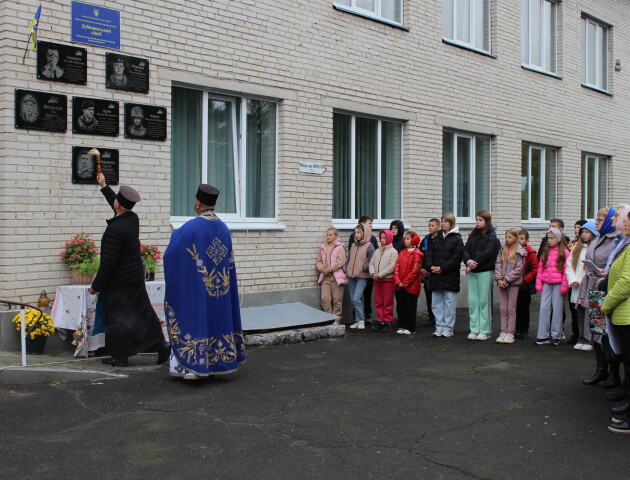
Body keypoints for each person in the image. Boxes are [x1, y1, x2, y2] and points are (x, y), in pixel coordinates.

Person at [163, 184, 246, 379]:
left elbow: (171, 255)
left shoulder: (190, 228)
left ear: (198, 203)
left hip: (198, 287)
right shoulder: (224, 228)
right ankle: (216, 363)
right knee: (216, 320)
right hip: (221, 289)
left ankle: (193, 368)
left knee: (195, 318)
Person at [89, 173, 169, 367]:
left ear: (118, 205)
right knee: (142, 314)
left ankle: (120, 356)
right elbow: (118, 207)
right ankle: (160, 346)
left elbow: (108, 262)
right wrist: (104, 186)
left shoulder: (115, 230)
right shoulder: (132, 219)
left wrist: (96, 285)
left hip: (120, 283)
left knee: (118, 319)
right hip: (133, 279)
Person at [580, 207, 620, 386]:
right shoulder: (599, 238)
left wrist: (604, 274)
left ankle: (613, 373)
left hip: (606, 290)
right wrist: (583, 294)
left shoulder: (615, 241)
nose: (596, 222)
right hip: (592, 288)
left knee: (607, 334)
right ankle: (600, 370)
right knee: (596, 331)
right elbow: (587, 269)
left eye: (600, 219)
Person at [601, 210, 630, 434]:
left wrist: (606, 303)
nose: (622, 224)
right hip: (622, 313)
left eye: (626, 220)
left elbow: (626, 282)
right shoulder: (626, 245)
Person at [425, 213, 464, 338]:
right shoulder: (437, 238)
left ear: (451, 223)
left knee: (449, 303)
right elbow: (429, 253)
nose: (443, 224)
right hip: (436, 276)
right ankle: (439, 326)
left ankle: (448, 327)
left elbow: (457, 257)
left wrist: (443, 268)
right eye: (442, 221)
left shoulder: (457, 238)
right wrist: (431, 266)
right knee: (436, 303)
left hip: (449, 276)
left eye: (445, 221)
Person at [463, 210, 500, 341]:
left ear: (486, 221)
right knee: (473, 301)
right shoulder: (473, 235)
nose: (477, 222)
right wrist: (468, 261)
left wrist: (474, 263)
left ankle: (485, 330)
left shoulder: (491, 236)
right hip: (472, 271)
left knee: (484, 301)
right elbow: (465, 249)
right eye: (477, 220)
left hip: (484, 271)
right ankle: (474, 328)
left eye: (480, 220)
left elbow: (488, 252)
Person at [535, 228, 570, 346]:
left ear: (558, 239)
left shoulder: (564, 252)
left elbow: (566, 270)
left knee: (557, 309)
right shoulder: (545, 251)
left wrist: (564, 286)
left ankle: (556, 335)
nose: (549, 241)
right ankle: (542, 334)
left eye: (552, 238)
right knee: (544, 308)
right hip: (546, 283)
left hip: (559, 283)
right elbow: (540, 268)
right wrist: (539, 284)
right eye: (548, 238)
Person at [566, 222, 598, 351]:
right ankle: (581, 338)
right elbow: (570, 265)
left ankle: (590, 340)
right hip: (577, 286)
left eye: (586, 232)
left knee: (590, 314)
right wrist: (573, 280)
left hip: (589, 286)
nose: (584, 235)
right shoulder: (576, 248)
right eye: (582, 232)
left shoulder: (595, 247)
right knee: (579, 314)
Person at [494, 228, 525, 344]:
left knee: (511, 308)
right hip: (502, 282)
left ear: (516, 238)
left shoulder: (519, 251)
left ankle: (510, 332)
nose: (507, 239)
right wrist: (499, 279)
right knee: (503, 308)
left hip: (513, 283)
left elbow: (519, 269)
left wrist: (507, 278)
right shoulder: (502, 249)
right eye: (506, 237)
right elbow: (498, 264)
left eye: (510, 237)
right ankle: (503, 331)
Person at [348, 216, 378, 325]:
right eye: (355, 232)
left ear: (364, 234)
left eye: (358, 232)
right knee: (353, 300)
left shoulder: (369, 246)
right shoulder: (353, 245)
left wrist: (362, 267)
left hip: (362, 276)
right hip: (351, 276)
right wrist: (348, 268)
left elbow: (373, 261)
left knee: (356, 299)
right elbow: (350, 258)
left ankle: (361, 320)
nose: (356, 235)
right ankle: (357, 320)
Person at [369, 229, 399, 332]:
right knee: (379, 301)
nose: (382, 240)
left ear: (389, 238)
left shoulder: (393, 252)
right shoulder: (377, 251)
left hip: (387, 280)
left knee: (387, 302)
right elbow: (371, 263)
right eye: (381, 238)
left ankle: (388, 321)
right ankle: (380, 321)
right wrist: (373, 273)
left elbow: (391, 267)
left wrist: (380, 275)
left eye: (384, 238)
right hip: (377, 280)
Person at [394, 231, 422, 335]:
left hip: (411, 286)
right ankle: (403, 325)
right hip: (400, 285)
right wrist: (398, 281)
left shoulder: (417, 254)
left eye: (408, 239)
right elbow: (396, 267)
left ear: (414, 240)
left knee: (410, 306)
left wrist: (404, 283)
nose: (405, 240)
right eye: (405, 238)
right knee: (401, 306)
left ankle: (411, 328)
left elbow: (415, 271)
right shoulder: (402, 253)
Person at [316, 227, 347, 319]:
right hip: (326, 277)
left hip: (337, 277)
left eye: (330, 235)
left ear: (336, 236)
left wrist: (329, 269)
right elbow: (318, 261)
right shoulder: (322, 247)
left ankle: (336, 320)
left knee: (337, 300)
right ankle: (329, 318)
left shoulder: (340, 247)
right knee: (324, 299)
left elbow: (341, 261)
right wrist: (323, 269)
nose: (328, 237)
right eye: (327, 235)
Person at [515, 230, 538, 339]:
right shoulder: (513, 250)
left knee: (524, 308)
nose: (519, 241)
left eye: (522, 239)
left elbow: (535, 269)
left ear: (527, 240)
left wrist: (525, 279)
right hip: (514, 284)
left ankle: (524, 330)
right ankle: (517, 328)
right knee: (515, 308)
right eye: (518, 238)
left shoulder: (531, 252)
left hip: (524, 285)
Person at [420, 218, 440, 327]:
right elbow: (421, 255)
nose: (430, 227)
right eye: (429, 225)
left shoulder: (440, 239)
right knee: (428, 296)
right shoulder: (425, 240)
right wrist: (421, 269)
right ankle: (431, 317)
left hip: (436, 271)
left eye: (432, 225)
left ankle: (438, 317)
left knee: (437, 296)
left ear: (438, 227)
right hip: (426, 273)